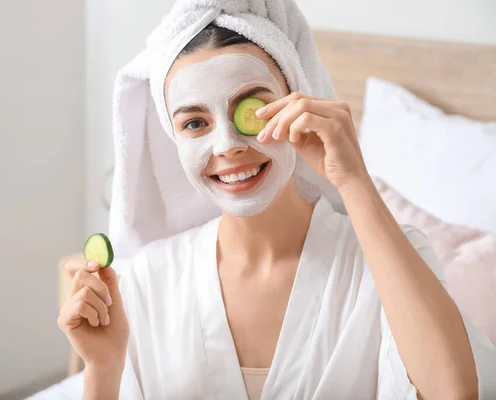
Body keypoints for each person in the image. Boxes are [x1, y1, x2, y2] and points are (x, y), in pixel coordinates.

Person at [58, 1, 496, 399]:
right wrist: (103, 366)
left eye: (251, 109)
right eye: (195, 123)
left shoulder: (389, 262)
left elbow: (454, 392)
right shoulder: (149, 280)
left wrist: (354, 179)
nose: (227, 145)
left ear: (295, 104)